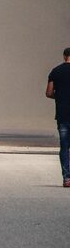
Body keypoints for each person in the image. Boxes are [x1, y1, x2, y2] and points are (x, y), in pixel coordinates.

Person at [46, 47, 70, 187]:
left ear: (64, 56)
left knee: (65, 146)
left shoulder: (55, 71)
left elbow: (49, 92)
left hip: (62, 114)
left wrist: (60, 97)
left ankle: (67, 178)